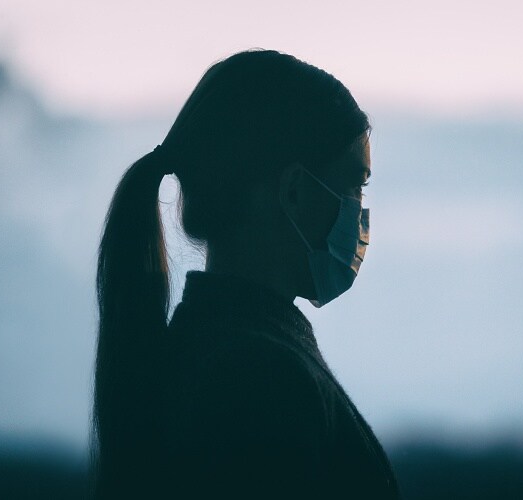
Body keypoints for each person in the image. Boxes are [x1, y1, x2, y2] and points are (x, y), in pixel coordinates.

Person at [93, 48, 400, 499]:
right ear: (293, 192)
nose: (359, 209)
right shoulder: (261, 381)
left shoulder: (221, 353)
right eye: (354, 184)